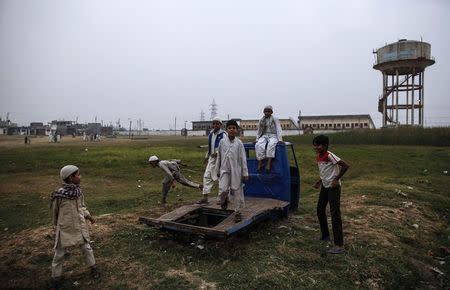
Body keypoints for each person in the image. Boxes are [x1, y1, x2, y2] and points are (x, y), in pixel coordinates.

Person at [50, 165, 99, 288]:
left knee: (87, 248)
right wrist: (56, 225)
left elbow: (82, 207)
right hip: (65, 228)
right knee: (59, 254)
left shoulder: (79, 192)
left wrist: (89, 216)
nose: (80, 177)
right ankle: (56, 277)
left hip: (79, 226)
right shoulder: (59, 194)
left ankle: (93, 268)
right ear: (71, 178)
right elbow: (55, 211)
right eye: (78, 174)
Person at [312, 135, 349, 254]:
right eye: (315, 145)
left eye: (319, 145)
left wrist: (336, 179)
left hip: (333, 188)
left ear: (325, 145)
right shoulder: (319, 156)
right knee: (320, 210)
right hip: (324, 186)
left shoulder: (329, 155)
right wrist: (319, 181)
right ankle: (325, 235)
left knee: (335, 214)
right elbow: (325, 171)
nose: (316, 147)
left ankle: (339, 245)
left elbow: (345, 166)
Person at [216, 119, 249, 222]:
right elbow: (219, 156)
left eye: (234, 128)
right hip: (224, 170)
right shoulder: (222, 142)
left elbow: (243, 159)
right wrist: (217, 169)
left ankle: (237, 212)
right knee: (223, 189)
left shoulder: (239, 143)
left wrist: (245, 173)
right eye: (229, 128)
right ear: (226, 130)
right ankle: (224, 200)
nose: (231, 130)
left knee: (237, 191)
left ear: (237, 130)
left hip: (236, 171)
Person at [198, 117, 226, 204]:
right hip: (212, 159)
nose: (215, 125)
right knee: (206, 177)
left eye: (217, 123)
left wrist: (217, 153)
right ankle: (205, 198)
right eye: (214, 123)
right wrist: (207, 156)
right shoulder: (211, 134)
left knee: (220, 178)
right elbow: (210, 147)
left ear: (220, 125)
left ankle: (223, 198)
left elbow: (226, 147)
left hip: (220, 160)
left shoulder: (223, 134)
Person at [255, 105, 283, 172]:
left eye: (268, 111)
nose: (267, 113)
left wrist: (280, 139)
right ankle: (260, 162)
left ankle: (268, 163)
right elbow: (259, 130)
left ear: (271, 112)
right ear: (263, 112)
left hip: (273, 135)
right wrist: (257, 139)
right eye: (266, 111)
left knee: (271, 145)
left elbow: (278, 128)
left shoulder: (275, 119)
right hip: (264, 135)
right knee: (258, 145)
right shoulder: (261, 120)